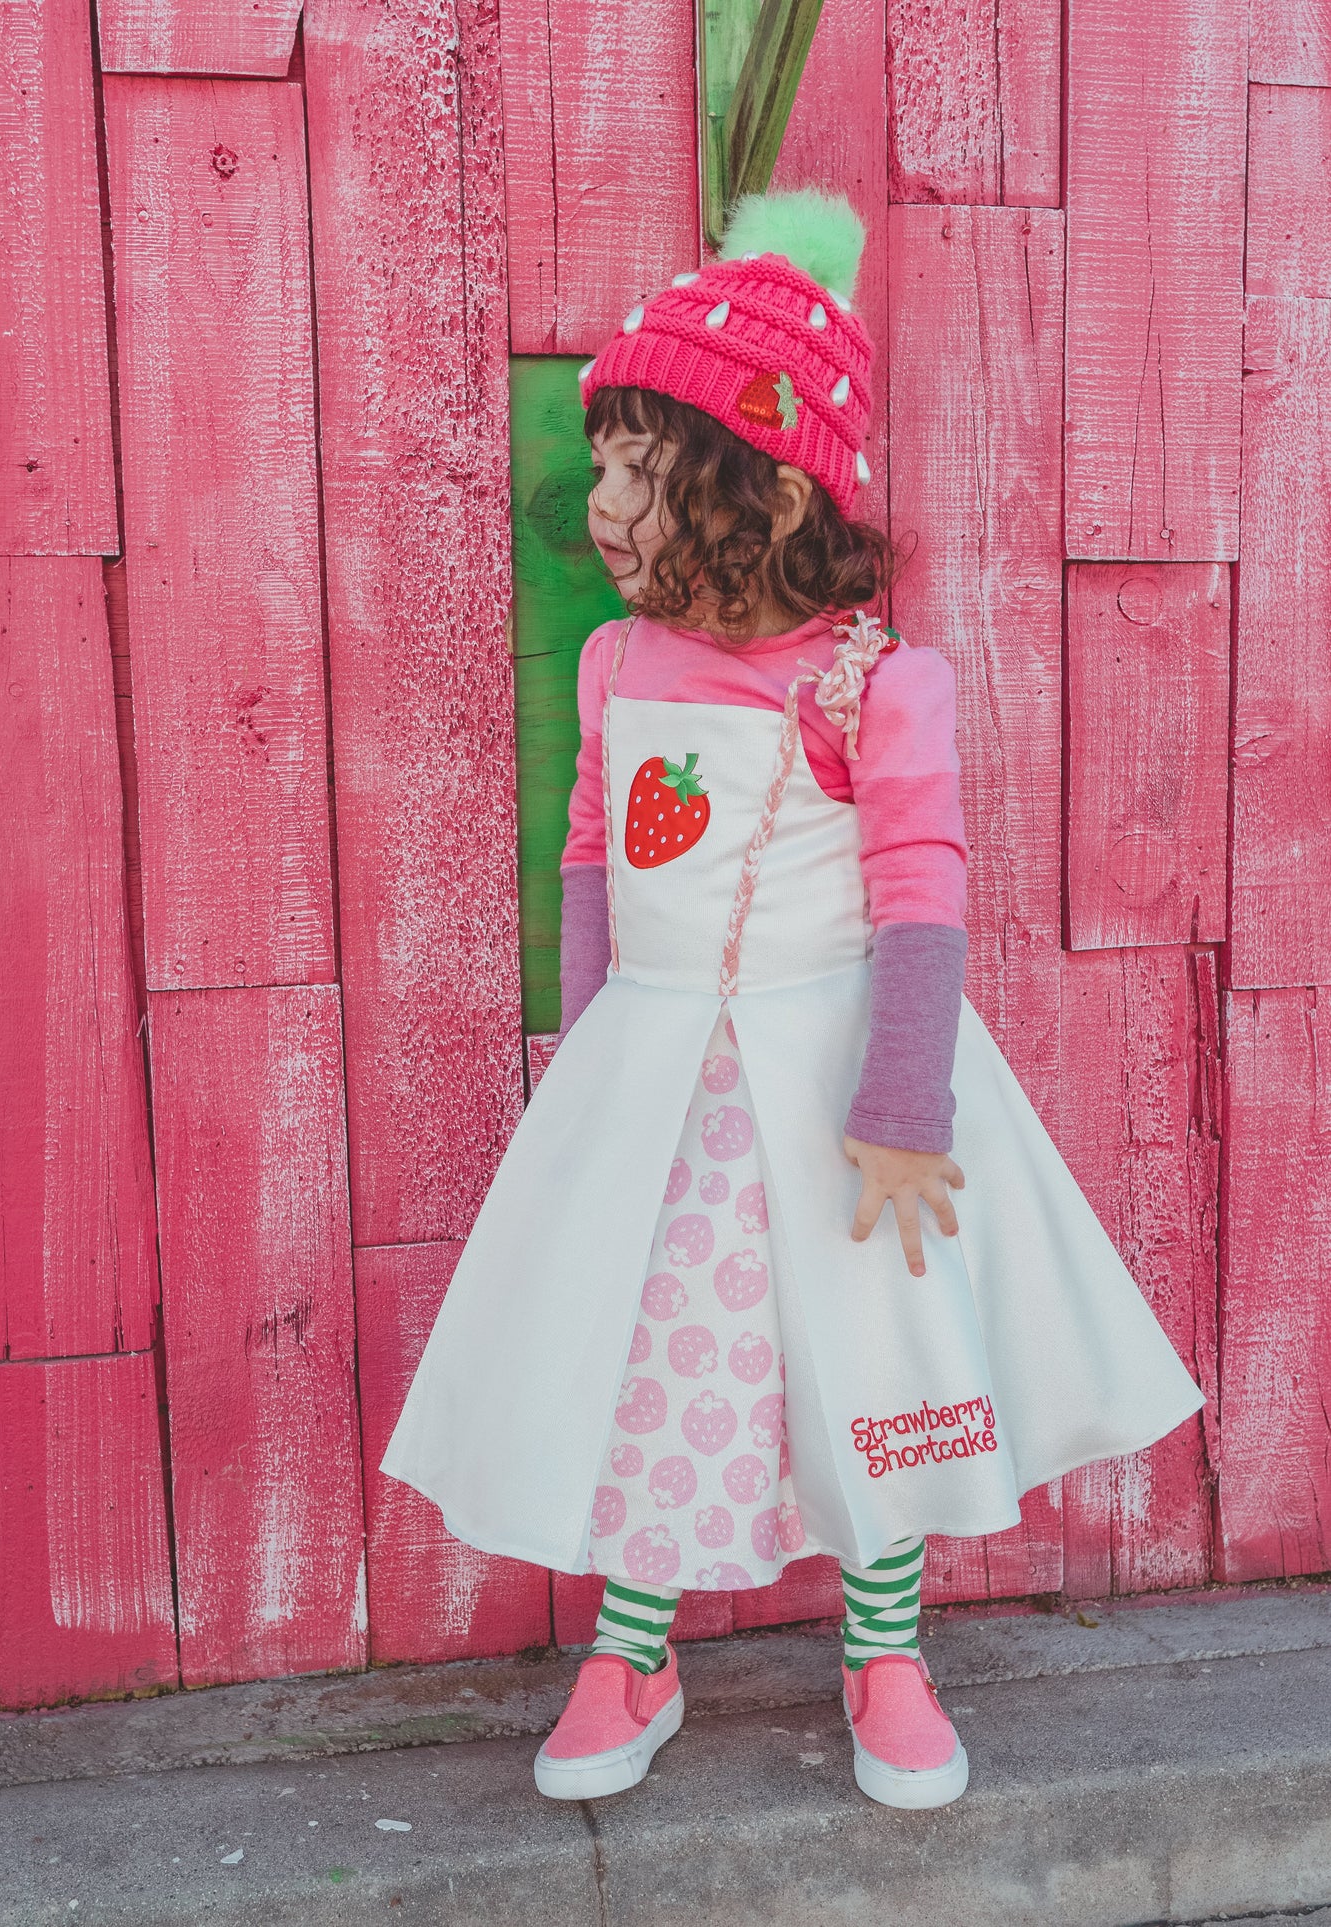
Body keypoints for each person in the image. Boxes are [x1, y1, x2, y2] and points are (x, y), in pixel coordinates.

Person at [381, 187, 1203, 1811]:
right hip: (657, 1090)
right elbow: (594, 871)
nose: (603, 500)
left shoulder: (871, 681)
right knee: (659, 1354)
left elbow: (920, 896)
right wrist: (583, 1068)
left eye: (638, 464)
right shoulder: (619, 666)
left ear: (759, 487)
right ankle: (636, 1640)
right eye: (603, 460)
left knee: (873, 1357)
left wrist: (902, 1113)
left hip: (840, 1097)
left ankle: (880, 1646)